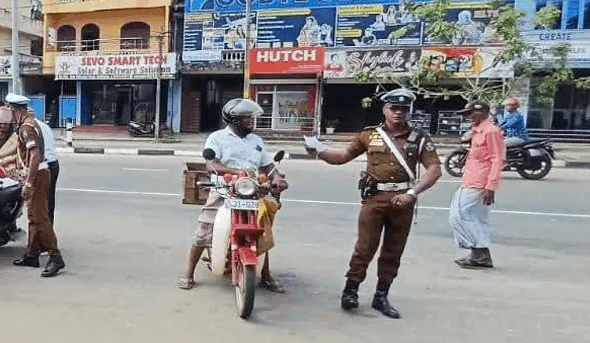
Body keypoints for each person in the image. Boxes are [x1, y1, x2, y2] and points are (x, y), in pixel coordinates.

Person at [308, 88, 442, 319]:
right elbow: (343, 157)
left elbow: (434, 169)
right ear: (384, 110)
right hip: (374, 199)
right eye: (394, 108)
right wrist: (319, 152)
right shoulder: (369, 135)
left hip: (403, 200)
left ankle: (381, 296)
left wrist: (412, 193)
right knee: (364, 247)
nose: (398, 113)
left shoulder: (419, 137)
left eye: (403, 109)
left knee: (393, 250)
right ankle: (351, 291)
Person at [179, 98, 287, 291]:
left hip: (251, 191)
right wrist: (237, 173)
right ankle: (188, 274)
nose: (252, 121)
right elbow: (213, 164)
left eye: (252, 117)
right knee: (205, 230)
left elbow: (268, 165)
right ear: (234, 120)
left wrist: (276, 177)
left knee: (263, 229)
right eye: (247, 118)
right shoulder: (217, 138)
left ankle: (266, 275)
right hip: (224, 189)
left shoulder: (256, 141)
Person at [9, 93, 64, 277]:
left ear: (18, 111)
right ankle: (32, 254)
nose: (10, 114)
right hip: (39, 173)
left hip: (38, 175)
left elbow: (35, 155)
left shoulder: (27, 128)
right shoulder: (30, 124)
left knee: (40, 218)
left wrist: (30, 183)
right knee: (33, 216)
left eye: (11, 111)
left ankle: (55, 257)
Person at [450, 100, 503, 269]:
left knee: (458, 215)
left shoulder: (491, 132)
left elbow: (497, 160)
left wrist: (491, 187)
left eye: (470, 113)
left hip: (478, 183)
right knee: (476, 219)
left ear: (482, 112)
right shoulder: (477, 131)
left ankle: (479, 252)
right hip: (472, 179)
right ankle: (480, 255)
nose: (467, 117)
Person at [36, 115, 60, 221]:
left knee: (39, 201)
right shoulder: (44, 126)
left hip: (43, 165)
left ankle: (44, 231)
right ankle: (49, 227)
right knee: (49, 198)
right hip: (53, 163)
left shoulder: (29, 127)